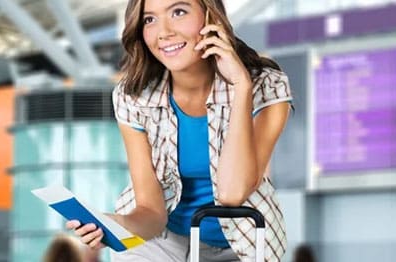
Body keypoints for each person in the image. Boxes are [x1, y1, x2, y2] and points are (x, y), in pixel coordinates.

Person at [66, 0, 293, 261]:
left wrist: (241, 85)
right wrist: (112, 225)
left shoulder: (267, 85)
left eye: (178, 12)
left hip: (240, 244)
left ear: (212, 16)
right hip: (161, 240)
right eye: (149, 20)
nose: (164, 32)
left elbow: (233, 193)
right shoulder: (134, 97)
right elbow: (151, 213)